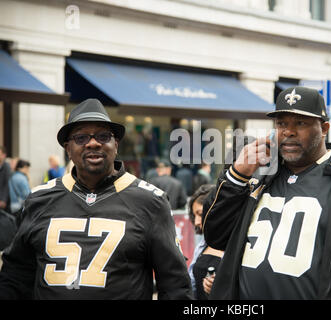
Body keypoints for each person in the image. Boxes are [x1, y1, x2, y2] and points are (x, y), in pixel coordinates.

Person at [202, 86, 331, 299]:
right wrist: (236, 176)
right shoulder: (258, 176)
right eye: (282, 123)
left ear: (324, 128)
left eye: (300, 123)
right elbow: (216, 236)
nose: (289, 132)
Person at [0, 98, 193, 299]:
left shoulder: (151, 201)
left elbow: (175, 285)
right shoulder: (39, 199)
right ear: (68, 149)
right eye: (81, 137)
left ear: (115, 144)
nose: (93, 143)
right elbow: (15, 277)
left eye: (103, 136)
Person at [187, 184, 223, 300]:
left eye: (201, 214)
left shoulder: (239, 244)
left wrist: (222, 286)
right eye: (194, 215)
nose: (197, 222)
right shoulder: (202, 244)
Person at [0, 146, 11, 212]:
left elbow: (7, 184)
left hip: (2, 201)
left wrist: (3, 200)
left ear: (4, 155)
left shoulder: (6, 167)